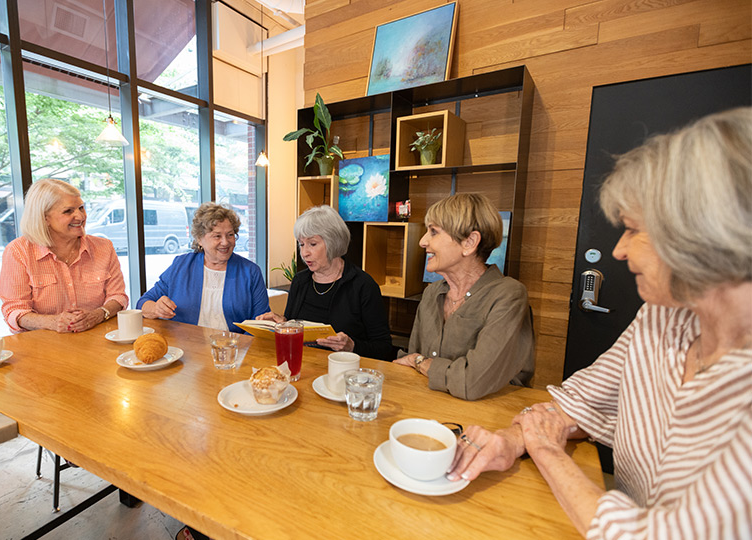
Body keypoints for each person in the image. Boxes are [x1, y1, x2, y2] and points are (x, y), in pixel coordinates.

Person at [448, 108, 752, 538]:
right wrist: (510, 442)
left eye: (631, 230)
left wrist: (548, 453)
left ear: (704, 232)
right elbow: (577, 402)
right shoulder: (661, 317)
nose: (619, 252)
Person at [394, 193, 534, 400]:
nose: (422, 241)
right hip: (429, 408)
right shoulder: (432, 292)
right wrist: (420, 363)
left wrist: (421, 363)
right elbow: (412, 362)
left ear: (469, 242)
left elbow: (472, 382)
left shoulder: (509, 295)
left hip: (487, 417)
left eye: (434, 232)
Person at [258, 205, 395, 361]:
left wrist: (352, 346)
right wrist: (284, 324)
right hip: (303, 368)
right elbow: (295, 329)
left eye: (312, 244)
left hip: (344, 373)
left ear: (333, 242)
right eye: (301, 244)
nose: (304, 253)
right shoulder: (300, 281)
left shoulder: (363, 286)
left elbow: (383, 347)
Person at [0, 179, 128, 333]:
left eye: (81, 208)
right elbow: (14, 310)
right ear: (45, 218)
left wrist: (98, 315)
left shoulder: (104, 247)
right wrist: (52, 322)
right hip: (41, 346)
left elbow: (118, 297)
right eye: (68, 211)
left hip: (96, 342)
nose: (80, 216)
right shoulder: (18, 252)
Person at [137, 202, 269, 332]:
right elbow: (143, 302)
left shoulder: (250, 271)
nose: (225, 242)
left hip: (233, 348)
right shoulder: (181, 265)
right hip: (186, 345)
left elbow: (261, 322)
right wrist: (156, 308)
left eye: (230, 235)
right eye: (217, 236)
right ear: (200, 239)